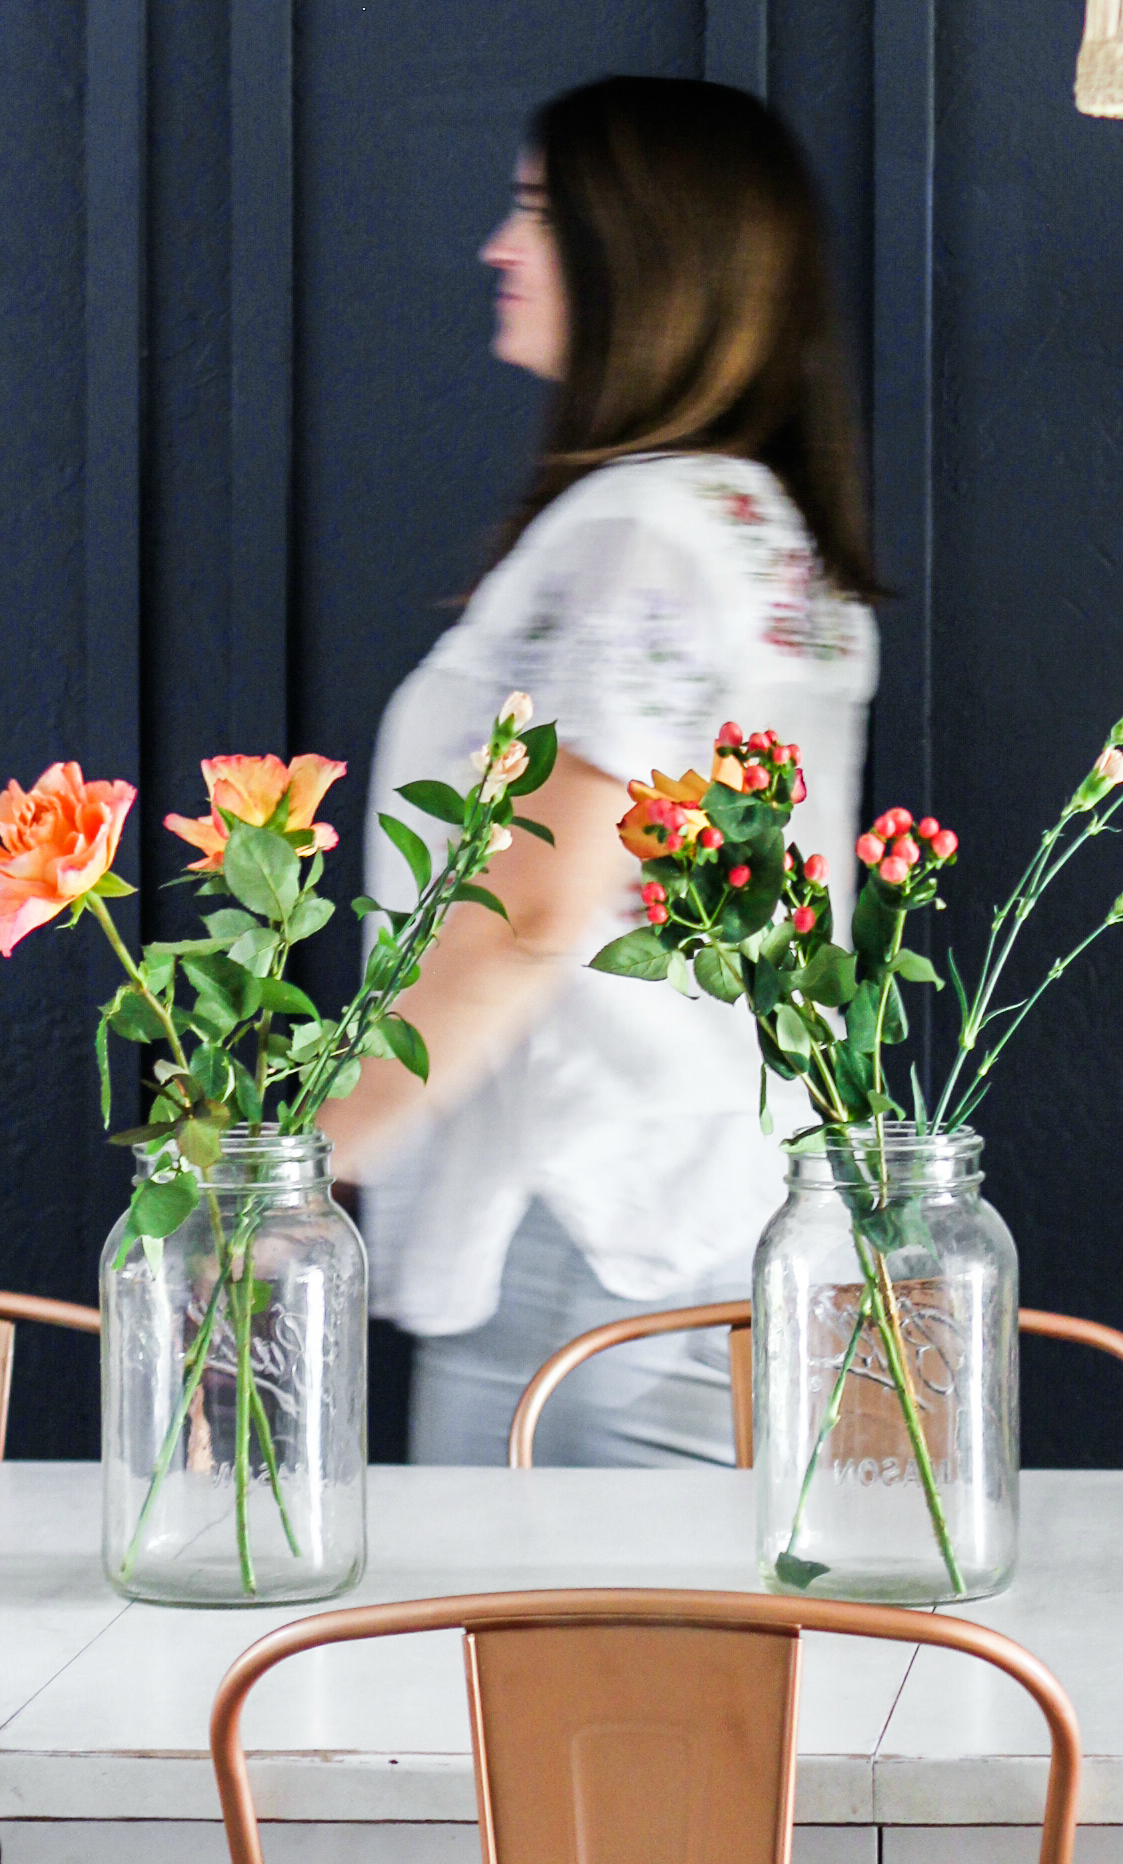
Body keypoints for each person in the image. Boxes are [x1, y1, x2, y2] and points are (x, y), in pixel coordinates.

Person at [319, 75, 880, 1470]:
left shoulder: (636, 527)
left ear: (642, 253)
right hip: (729, 1219)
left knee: (535, 1681)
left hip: (581, 1233)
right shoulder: (770, 537)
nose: (496, 253)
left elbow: (530, 914)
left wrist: (293, 1168)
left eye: (533, 215)